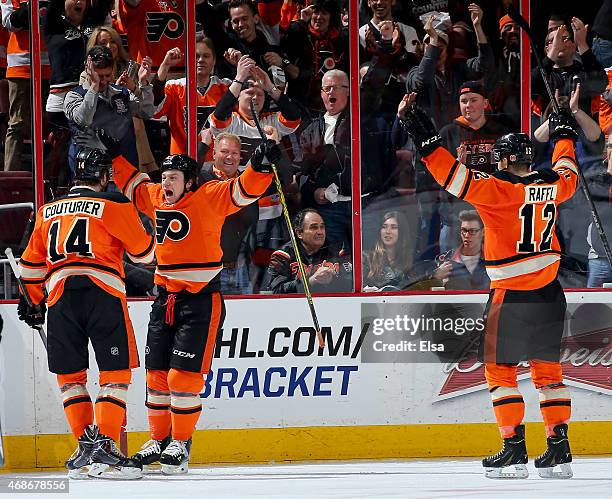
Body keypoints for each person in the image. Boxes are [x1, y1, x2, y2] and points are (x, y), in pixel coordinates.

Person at [401, 101, 579, 479]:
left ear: (501, 161)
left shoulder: (497, 190)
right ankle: (558, 448)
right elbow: (569, 170)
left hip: (511, 294)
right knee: (549, 371)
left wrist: (427, 142)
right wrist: (564, 135)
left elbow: (452, 176)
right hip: (549, 291)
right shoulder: (553, 185)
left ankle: (514, 449)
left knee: (500, 371)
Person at [106, 130, 282, 474]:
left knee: (182, 378)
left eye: (174, 178)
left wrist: (260, 165)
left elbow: (243, 189)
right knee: (156, 375)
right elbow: (133, 184)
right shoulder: (156, 196)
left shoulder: (210, 196)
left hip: (201, 301)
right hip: (164, 299)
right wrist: (115, 154)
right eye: (165, 177)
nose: (166, 183)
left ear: (189, 182)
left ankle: (181, 445)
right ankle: (159, 439)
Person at [16, 147, 155, 479]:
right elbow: (144, 253)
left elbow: (30, 267)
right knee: (116, 374)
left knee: (70, 379)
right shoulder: (113, 203)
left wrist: (33, 301)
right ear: (105, 175)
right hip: (102, 292)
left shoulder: (48, 210)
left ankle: (84, 447)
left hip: (59, 296)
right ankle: (104, 448)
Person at [435, 81, 510, 251]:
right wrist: (456, 166)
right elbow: (438, 174)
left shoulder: (500, 131)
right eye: (464, 101)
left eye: (473, 100)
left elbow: (510, 174)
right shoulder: (448, 133)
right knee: (451, 271)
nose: (468, 105)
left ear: (485, 103)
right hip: (455, 216)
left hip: (492, 214)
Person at [64, 45, 155, 176]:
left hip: (123, 169)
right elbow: (84, 120)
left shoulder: (121, 93)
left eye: (107, 75)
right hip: (89, 173)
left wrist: (143, 83)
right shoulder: (74, 95)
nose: (103, 80)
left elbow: (147, 113)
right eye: (99, 76)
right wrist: (94, 87)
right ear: (88, 70)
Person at [298, 69, 351, 248]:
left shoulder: (361, 121)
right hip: (330, 210)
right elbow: (303, 173)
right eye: (326, 88)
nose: (330, 92)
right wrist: (314, 191)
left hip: (364, 205)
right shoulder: (310, 131)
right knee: (332, 262)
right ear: (321, 94)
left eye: (336, 87)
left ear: (349, 90)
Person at [154, 36, 231, 157]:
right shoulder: (174, 87)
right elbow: (154, 111)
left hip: (217, 163)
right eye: (196, 56)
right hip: (182, 161)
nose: (200, 60)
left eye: (206, 56)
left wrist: (239, 65)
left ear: (214, 60)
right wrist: (165, 66)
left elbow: (249, 109)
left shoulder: (226, 87)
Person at [263, 208, 352, 294]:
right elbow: (275, 291)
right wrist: (310, 281)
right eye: (314, 228)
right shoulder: (283, 255)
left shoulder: (336, 250)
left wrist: (333, 280)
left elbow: (352, 284)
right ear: (299, 233)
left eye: (322, 227)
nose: (320, 232)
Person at [430, 210, 489, 291]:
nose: (467, 235)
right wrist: (434, 277)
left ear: (483, 232)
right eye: (464, 230)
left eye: (472, 231)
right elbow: (422, 289)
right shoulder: (444, 259)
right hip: (456, 303)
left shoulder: (493, 258)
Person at [363, 211, 412, 291]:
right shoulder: (366, 258)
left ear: (402, 232)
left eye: (393, 227)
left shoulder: (409, 259)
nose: (388, 231)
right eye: (384, 227)